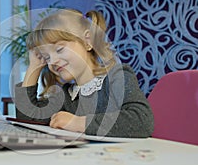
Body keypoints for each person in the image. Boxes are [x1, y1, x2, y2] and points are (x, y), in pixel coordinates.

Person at [14, 9, 154, 138]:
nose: (53, 61)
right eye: (47, 57)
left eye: (59, 49)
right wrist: (34, 67)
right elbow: (27, 119)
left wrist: (78, 123)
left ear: (87, 41)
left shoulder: (117, 77)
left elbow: (141, 120)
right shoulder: (66, 95)